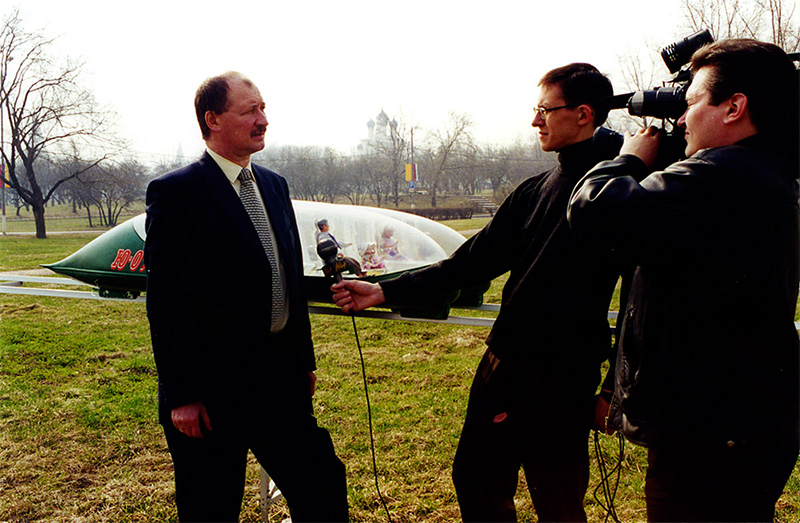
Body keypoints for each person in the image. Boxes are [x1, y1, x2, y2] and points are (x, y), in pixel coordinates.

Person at [332, 63, 622, 522]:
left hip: (566, 376)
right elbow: (471, 262)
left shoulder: (617, 193)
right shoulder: (535, 189)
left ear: (584, 114)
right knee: (476, 478)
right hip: (505, 365)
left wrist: (614, 386)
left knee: (558, 496)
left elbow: (640, 302)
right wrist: (384, 291)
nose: (535, 121)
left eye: (545, 110)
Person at [568, 39, 800, 522]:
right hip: (742, 422)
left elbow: (592, 210)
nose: (680, 119)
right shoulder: (766, 170)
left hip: (707, 434)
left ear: (735, 107)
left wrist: (629, 159)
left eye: (691, 103)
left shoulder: (720, 175)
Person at [144, 71, 348, 522]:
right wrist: (182, 395)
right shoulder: (176, 193)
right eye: (250, 111)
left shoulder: (273, 185)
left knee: (322, 485)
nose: (263, 120)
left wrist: (304, 361)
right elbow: (167, 300)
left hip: (278, 380)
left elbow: (287, 277)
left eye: (263, 108)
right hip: (210, 393)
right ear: (213, 119)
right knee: (210, 506)